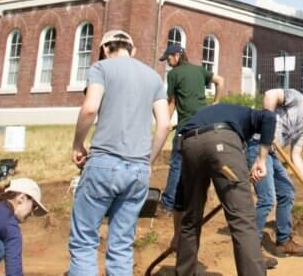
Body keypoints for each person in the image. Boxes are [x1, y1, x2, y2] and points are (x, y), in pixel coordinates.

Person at [67, 29, 171, 276]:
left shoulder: (101, 68)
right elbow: (165, 124)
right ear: (132, 50)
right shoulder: (153, 77)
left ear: (105, 49)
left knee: (84, 240)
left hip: (104, 163)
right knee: (122, 245)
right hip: (137, 171)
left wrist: (77, 144)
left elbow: (90, 108)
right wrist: (148, 160)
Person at [175, 101, 277, 276]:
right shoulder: (250, 114)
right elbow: (269, 117)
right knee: (242, 220)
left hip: (189, 143)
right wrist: (261, 160)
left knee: (190, 219)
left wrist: (179, 225)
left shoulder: (209, 113)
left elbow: (182, 190)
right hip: (222, 142)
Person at [248, 87, 303, 258]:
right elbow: (269, 94)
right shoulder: (296, 98)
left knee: (287, 192)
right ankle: (251, 250)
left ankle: (283, 242)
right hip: (258, 148)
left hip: (272, 153)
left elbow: (296, 156)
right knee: (267, 199)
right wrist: (267, 122)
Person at [158, 42, 224, 248]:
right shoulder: (198, 70)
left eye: (169, 58)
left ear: (177, 56)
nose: (168, 62)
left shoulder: (174, 74)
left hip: (186, 128)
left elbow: (171, 102)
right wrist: (216, 104)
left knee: (177, 164)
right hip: (208, 125)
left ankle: (168, 203)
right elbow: (220, 81)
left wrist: (165, 124)